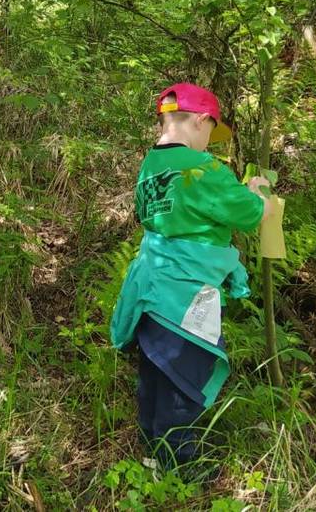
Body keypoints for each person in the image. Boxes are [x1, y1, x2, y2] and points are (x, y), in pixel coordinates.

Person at [109, 83, 276, 475]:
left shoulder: (150, 165)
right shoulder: (204, 169)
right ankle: (180, 467)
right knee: (184, 378)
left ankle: (152, 453)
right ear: (200, 121)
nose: (209, 144)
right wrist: (259, 196)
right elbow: (251, 214)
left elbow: (183, 210)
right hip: (187, 294)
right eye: (210, 134)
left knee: (155, 370)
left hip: (150, 286)